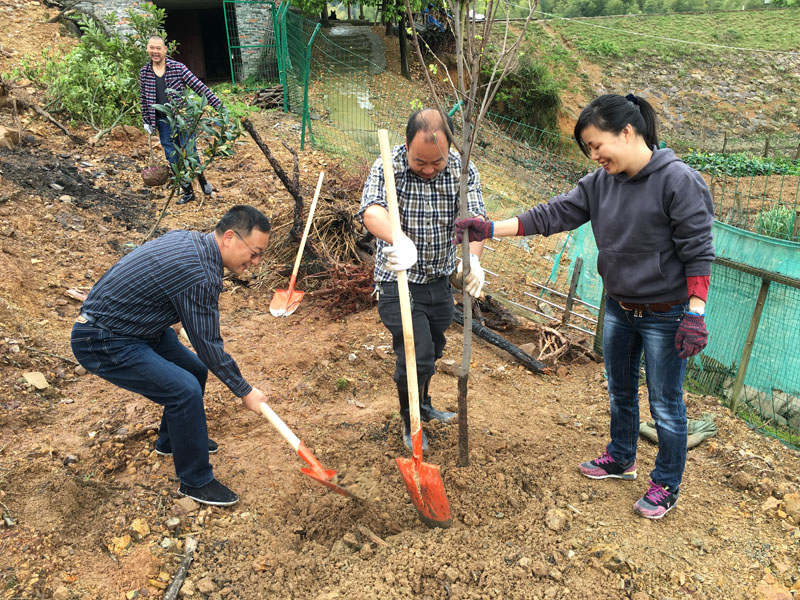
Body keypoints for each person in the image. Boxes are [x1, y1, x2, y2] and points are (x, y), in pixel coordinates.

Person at [455, 94, 714, 519]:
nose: (594, 156)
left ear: (626, 132)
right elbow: (550, 215)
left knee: (666, 404)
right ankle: (622, 458)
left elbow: (698, 251)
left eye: (597, 145)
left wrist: (695, 312)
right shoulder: (599, 184)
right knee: (620, 390)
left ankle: (666, 483)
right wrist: (489, 228)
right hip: (619, 307)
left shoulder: (678, 181)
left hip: (666, 314)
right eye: (589, 149)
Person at [71, 205, 272, 506]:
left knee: (195, 371)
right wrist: (244, 391)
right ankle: (196, 481)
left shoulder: (191, 241)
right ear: (230, 237)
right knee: (184, 390)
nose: (255, 262)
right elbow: (208, 345)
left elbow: (163, 283)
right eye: (254, 253)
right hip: (103, 338)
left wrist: (171, 318)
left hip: (140, 327)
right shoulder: (200, 273)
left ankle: (172, 442)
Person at [357, 108, 488, 452]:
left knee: (434, 347)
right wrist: (399, 239)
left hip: (439, 279)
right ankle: (409, 419)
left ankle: (424, 403)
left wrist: (472, 259)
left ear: (450, 149)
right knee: (417, 354)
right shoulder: (388, 165)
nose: (429, 169)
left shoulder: (462, 169)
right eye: (420, 162)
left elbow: (475, 220)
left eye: (437, 162)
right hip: (398, 279)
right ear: (406, 145)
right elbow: (372, 210)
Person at [139, 34, 222, 205]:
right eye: (151, 48)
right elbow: (143, 99)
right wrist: (146, 120)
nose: (155, 51)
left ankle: (202, 180)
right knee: (172, 157)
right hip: (163, 122)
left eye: (158, 48)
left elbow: (200, 87)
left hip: (183, 119)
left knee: (190, 152)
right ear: (147, 49)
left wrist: (219, 106)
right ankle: (187, 191)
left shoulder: (178, 68)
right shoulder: (144, 73)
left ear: (165, 50)